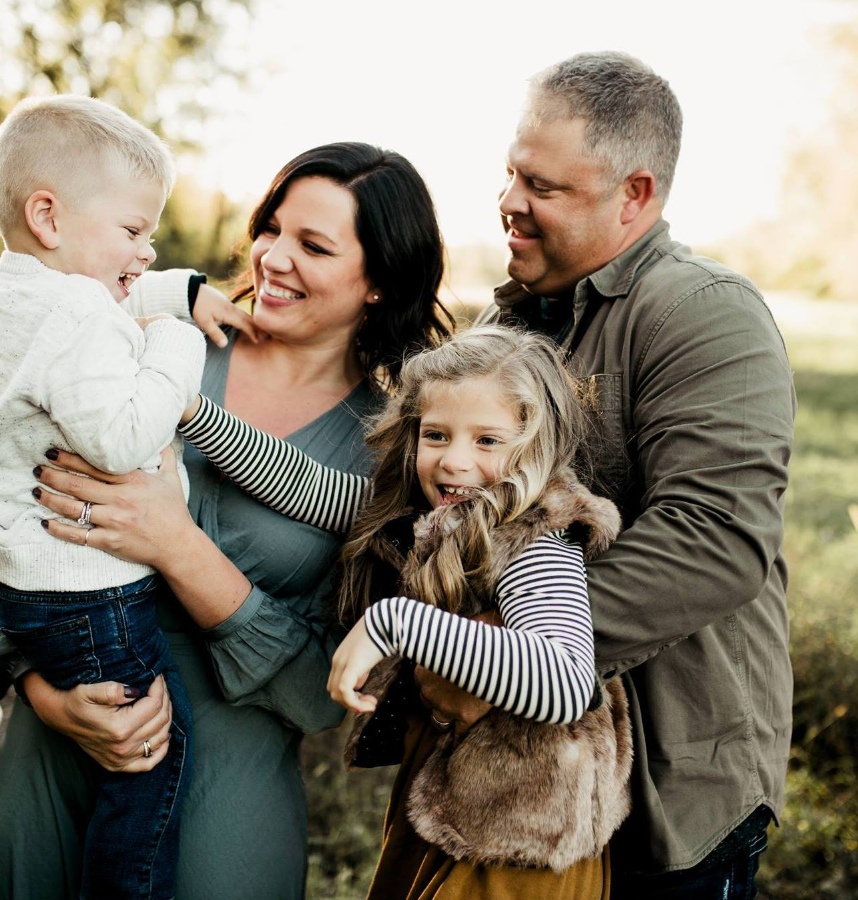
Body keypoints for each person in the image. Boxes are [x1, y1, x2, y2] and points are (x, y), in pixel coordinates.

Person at [0, 141, 454, 900]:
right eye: (271, 228)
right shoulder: (147, 340)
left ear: (377, 283)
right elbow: (9, 503)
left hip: (225, 792)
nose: (273, 257)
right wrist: (41, 691)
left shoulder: (394, 450)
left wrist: (179, 548)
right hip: (56, 744)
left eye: (312, 245)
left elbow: (322, 689)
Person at [455, 51, 792, 899]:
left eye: (542, 186)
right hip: (528, 788)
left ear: (634, 195)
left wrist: (497, 662)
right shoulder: (510, 319)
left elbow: (713, 542)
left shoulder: (703, 311)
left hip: (666, 792)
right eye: (509, 174)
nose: (507, 203)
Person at [153, 324, 634, 899]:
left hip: (521, 845)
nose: (455, 462)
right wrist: (189, 408)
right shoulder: (422, 516)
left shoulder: (536, 539)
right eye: (436, 435)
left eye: (488, 441)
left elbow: (566, 682)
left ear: (537, 444)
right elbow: (301, 483)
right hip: (452, 799)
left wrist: (396, 624)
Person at [0, 95, 206, 900]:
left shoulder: (20, 295)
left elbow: (106, 303)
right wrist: (176, 343)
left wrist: (171, 291)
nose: (145, 251)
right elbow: (123, 437)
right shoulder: (78, 313)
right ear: (48, 216)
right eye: (132, 232)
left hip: (23, 587)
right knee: (154, 757)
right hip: (91, 592)